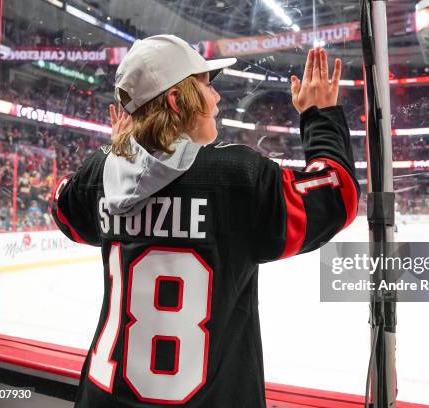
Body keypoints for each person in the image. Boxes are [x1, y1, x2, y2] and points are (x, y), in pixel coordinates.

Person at [51, 34, 359, 407]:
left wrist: (121, 156)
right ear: (177, 100)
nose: (217, 99)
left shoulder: (99, 177)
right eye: (207, 86)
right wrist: (319, 115)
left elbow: (64, 209)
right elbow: (337, 194)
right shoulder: (238, 178)